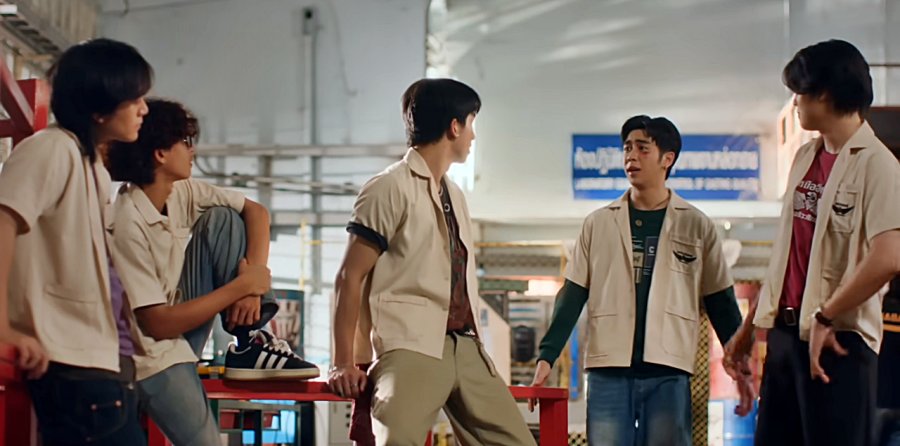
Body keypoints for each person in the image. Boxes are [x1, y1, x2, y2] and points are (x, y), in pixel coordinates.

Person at [328, 78, 535, 445]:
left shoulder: (454, 194)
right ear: (454, 127)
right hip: (410, 344)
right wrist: (343, 361)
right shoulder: (389, 187)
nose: (472, 136)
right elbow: (349, 276)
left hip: (466, 346)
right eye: (471, 124)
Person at [530, 115, 754, 446]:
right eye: (627, 148)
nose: (631, 156)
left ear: (667, 158)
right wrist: (547, 355)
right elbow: (573, 294)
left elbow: (720, 300)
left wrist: (739, 361)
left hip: (669, 369)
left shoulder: (696, 226)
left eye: (642, 148)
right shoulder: (598, 224)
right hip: (608, 371)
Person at [107, 98, 319, 445]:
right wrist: (240, 287)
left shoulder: (180, 192)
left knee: (224, 218)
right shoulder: (126, 223)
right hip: (149, 353)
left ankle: (248, 342)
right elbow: (156, 324)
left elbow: (256, 212)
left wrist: (253, 282)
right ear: (160, 154)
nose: (193, 151)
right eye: (185, 142)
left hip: (179, 327)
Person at [723, 39, 900, 446]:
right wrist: (748, 329)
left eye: (799, 92)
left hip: (839, 343)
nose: (795, 102)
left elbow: (888, 256)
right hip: (785, 339)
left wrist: (826, 316)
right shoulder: (805, 157)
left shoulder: (878, 166)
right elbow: (787, 256)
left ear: (825, 93)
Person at [0, 38, 152, 445]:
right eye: (135, 99)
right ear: (100, 108)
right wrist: (1, 327)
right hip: (73, 365)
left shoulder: (91, 165)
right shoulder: (50, 149)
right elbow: (2, 222)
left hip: (99, 363)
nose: (144, 109)